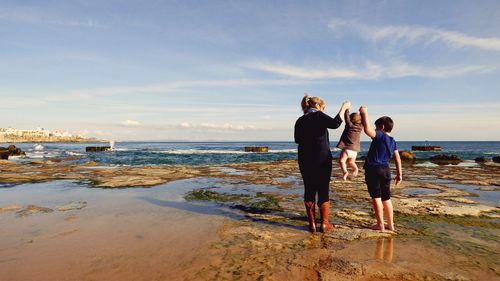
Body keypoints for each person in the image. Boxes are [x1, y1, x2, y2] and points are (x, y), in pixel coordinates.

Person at [294, 95, 350, 233]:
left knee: (309, 189)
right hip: (321, 157)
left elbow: (297, 140)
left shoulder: (300, 120)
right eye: (323, 108)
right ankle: (324, 223)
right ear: (318, 106)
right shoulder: (319, 115)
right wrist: (344, 108)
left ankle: (312, 223)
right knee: (323, 189)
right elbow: (336, 123)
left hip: (305, 158)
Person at [359, 106, 402, 232]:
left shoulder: (380, 136)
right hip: (386, 170)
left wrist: (364, 114)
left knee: (376, 197)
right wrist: (399, 174)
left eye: (377, 127)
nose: (375, 129)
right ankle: (391, 225)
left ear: (382, 127)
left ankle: (380, 225)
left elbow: (367, 130)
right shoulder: (392, 141)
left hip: (374, 169)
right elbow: (397, 158)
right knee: (386, 198)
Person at [336, 109, 363, 181]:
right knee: (351, 162)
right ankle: (356, 169)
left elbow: (346, 118)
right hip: (355, 150)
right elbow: (363, 119)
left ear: (351, 120)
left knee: (342, 161)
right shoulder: (361, 127)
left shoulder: (349, 125)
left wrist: (346, 109)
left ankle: (345, 172)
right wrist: (362, 112)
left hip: (347, 148)